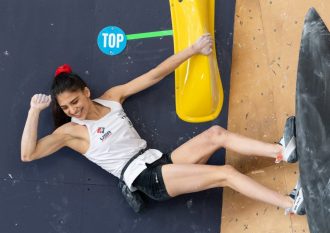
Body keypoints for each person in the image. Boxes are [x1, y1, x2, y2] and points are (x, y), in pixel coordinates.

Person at [21, 33, 305, 215]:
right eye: (66, 107)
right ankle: (291, 204)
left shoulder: (111, 98)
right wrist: (35, 111)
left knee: (216, 134)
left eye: (74, 101)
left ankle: (281, 152)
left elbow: (154, 75)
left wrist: (193, 49)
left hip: (158, 161)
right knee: (226, 173)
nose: (73, 110)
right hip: (147, 179)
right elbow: (28, 154)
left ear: (85, 91)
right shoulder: (72, 132)